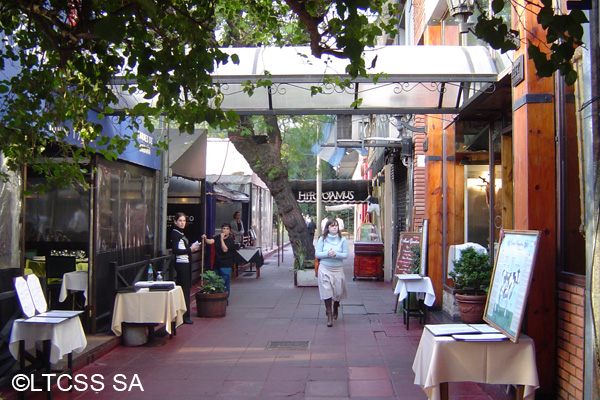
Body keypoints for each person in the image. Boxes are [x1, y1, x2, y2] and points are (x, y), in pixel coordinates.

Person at [315, 218, 349, 327]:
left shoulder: (342, 239)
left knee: (338, 292)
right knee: (327, 291)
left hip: (337, 269)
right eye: (332, 226)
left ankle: (336, 306)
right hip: (325, 268)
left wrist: (336, 254)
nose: (334, 227)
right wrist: (327, 253)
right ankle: (329, 314)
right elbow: (318, 254)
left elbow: (345, 255)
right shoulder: (323, 239)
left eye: (336, 226)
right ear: (328, 228)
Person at [171, 212, 200, 324]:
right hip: (181, 263)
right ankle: (184, 316)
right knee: (185, 289)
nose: (182, 223)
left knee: (185, 289)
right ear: (175, 222)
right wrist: (190, 250)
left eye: (184, 221)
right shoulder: (176, 234)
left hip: (185, 263)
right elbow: (176, 250)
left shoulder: (179, 233)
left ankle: (183, 314)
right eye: (180, 221)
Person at [202, 223, 235, 296]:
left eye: (227, 229)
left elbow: (225, 249)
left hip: (226, 265)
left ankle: (224, 299)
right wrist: (205, 239)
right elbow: (211, 241)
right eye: (223, 229)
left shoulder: (230, 240)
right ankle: (216, 296)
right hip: (217, 264)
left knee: (224, 284)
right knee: (213, 280)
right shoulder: (217, 237)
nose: (225, 230)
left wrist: (221, 239)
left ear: (229, 231)